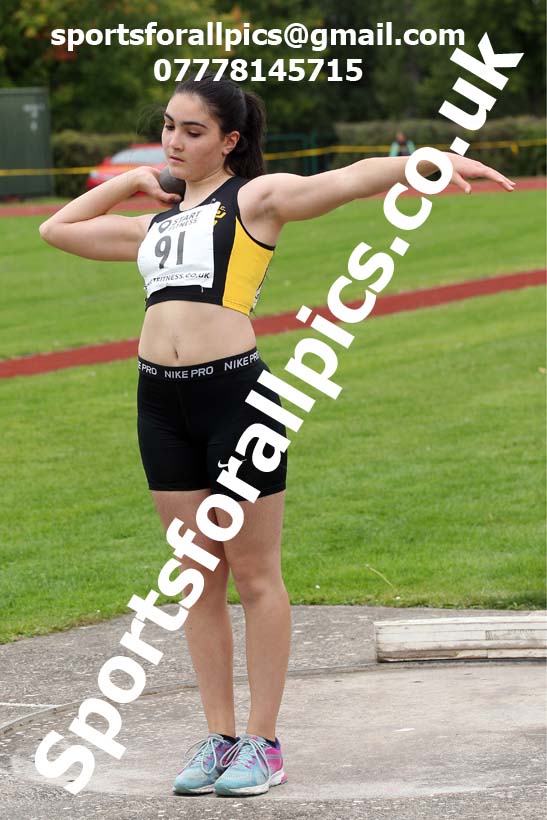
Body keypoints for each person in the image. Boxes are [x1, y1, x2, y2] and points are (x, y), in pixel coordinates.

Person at [38, 73, 515, 799]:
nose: (174, 140)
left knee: (254, 574)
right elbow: (57, 230)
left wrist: (435, 163)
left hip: (236, 397)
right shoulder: (156, 225)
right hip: (159, 404)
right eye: (168, 127)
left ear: (229, 141)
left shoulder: (254, 200)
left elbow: (351, 180)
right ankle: (219, 738)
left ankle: (263, 742)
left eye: (192, 132)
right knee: (195, 578)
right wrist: (132, 180)